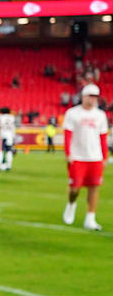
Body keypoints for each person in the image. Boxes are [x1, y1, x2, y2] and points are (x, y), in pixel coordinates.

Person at [62, 84, 108, 231]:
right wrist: (68, 153)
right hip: (78, 157)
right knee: (75, 189)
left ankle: (90, 218)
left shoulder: (100, 115)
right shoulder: (72, 113)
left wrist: (104, 157)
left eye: (95, 96)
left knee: (94, 187)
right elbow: (68, 135)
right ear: (83, 96)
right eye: (90, 96)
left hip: (95, 157)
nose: (93, 99)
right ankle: (71, 204)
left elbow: (103, 137)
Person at [0, 107, 16, 171]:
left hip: (2, 135)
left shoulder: (0, 116)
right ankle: (8, 166)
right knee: (9, 151)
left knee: (0, 150)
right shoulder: (12, 117)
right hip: (10, 135)